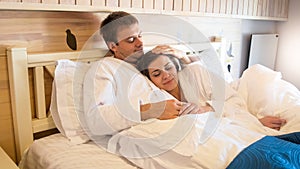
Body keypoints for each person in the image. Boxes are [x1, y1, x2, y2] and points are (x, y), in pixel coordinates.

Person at [83, 11, 202, 136]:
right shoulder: (104, 68)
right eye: (131, 40)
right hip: (155, 130)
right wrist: (150, 111)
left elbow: (204, 73)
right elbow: (95, 120)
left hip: (187, 117)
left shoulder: (149, 61)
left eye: (140, 35)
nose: (140, 43)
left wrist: (184, 57)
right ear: (113, 46)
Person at [136, 51, 287, 131]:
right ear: (149, 79)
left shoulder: (197, 72)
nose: (166, 75)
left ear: (176, 66)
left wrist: (206, 108)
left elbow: (235, 102)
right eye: (157, 74)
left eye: (168, 67)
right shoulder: (156, 97)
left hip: (237, 119)